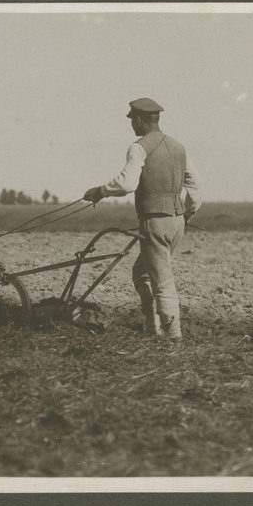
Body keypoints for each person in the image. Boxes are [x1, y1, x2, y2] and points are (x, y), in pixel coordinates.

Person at [83, 98, 203, 341]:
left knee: (162, 281)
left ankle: (173, 341)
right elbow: (197, 189)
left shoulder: (139, 147)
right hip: (177, 222)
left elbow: (127, 184)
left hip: (154, 221)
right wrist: (186, 213)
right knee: (142, 272)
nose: (132, 126)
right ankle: (152, 327)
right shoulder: (179, 147)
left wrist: (100, 191)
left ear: (139, 120)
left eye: (132, 121)